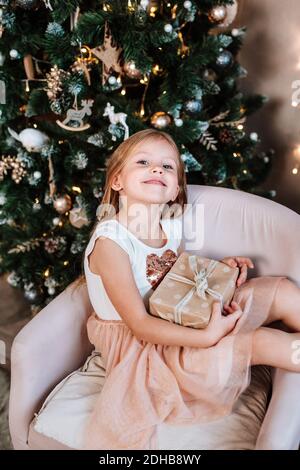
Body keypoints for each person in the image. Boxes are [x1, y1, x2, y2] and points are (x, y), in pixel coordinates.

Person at [75, 128, 300, 450]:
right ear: (117, 181)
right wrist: (208, 336)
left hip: (181, 314)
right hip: (147, 348)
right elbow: (140, 324)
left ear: (176, 187)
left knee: (279, 292)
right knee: (258, 341)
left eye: (168, 167)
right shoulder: (111, 243)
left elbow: (175, 277)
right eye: (143, 162)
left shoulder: (170, 224)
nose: (157, 169)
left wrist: (219, 270)